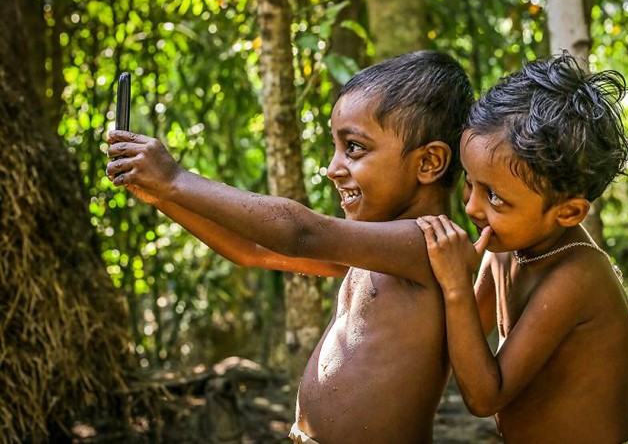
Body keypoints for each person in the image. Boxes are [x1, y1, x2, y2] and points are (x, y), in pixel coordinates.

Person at [105, 51, 474, 444]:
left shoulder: (427, 245)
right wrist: (161, 194)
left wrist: (176, 177)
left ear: (429, 162)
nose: (333, 168)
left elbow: (300, 233)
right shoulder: (376, 246)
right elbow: (251, 250)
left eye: (354, 148)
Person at [416, 52, 628, 444]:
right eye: (470, 182)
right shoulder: (507, 246)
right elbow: (455, 336)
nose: (471, 207)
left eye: (496, 198)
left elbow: (486, 396)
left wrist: (455, 286)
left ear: (568, 212)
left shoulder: (578, 277)